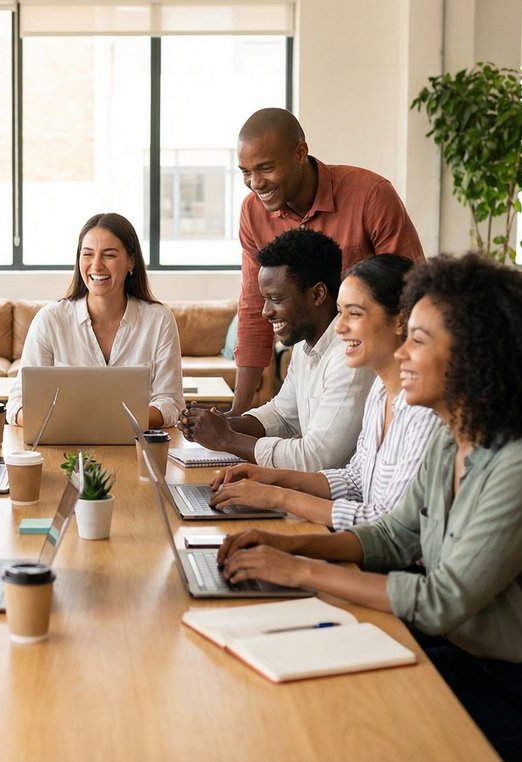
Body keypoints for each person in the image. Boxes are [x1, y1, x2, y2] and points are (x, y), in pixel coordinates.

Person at [218, 254, 522, 762]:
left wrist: (298, 569)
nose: (402, 352)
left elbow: (442, 600)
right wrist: (286, 544)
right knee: (321, 684)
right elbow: (394, 535)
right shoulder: (455, 439)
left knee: (357, 730)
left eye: (418, 341)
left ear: (474, 356)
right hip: (473, 658)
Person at [209, 254, 442, 529]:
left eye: (354, 313)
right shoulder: (380, 392)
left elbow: (391, 526)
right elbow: (356, 480)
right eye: (340, 312)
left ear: (401, 321)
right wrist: (270, 478)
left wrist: (279, 496)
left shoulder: (426, 410)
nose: (339, 327)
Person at [230, 107, 424, 414]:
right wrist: (237, 412)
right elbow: (255, 307)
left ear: (300, 153)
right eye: (245, 172)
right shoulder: (252, 212)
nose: (255, 183)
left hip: (374, 368)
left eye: (265, 168)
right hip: (311, 362)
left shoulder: (370, 195)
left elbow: (413, 292)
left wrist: (408, 398)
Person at [179, 228, 373, 470]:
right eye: (265, 299)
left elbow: (314, 458)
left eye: (276, 299)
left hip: (333, 491)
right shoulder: (304, 345)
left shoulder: (349, 357)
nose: (265, 311)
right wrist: (219, 423)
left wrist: (226, 439)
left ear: (318, 294)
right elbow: (282, 415)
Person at [7, 212, 183, 429]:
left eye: (109, 255)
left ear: (131, 261)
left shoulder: (159, 320)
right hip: (65, 443)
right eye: (88, 254)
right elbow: (17, 403)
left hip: (135, 443)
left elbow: (171, 403)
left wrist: (104, 422)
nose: (96, 265)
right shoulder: (50, 320)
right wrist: (62, 422)